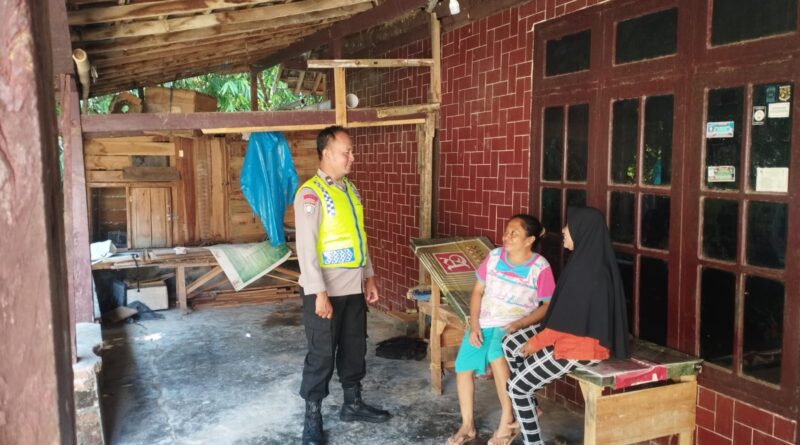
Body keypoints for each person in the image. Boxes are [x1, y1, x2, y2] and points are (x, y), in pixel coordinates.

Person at [294, 126, 390, 445]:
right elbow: (306, 248)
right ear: (326, 153)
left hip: (353, 287)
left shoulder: (350, 190)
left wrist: (369, 275)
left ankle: (353, 404)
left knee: (354, 348)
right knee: (321, 354)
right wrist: (318, 292)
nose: (352, 157)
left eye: (351, 151)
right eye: (346, 151)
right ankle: (312, 419)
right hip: (325, 291)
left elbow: (359, 237)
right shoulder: (310, 193)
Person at [502, 206, 630, 445]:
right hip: (570, 333)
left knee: (516, 387)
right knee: (510, 343)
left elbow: (568, 323)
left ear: (582, 230)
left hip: (580, 345)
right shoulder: (585, 260)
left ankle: (532, 438)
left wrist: (535, 343)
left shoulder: (587, 271)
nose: (563, 230)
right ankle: (530, 402)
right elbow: (566, 315)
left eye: (568, 226)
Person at [446, 215, 555, 445]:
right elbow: (477, 291)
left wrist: (521, 324)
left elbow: (547, 305)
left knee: (497, 353)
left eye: (514, 233)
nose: (507, 237)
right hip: (485, 321)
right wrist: (474, 324)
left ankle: (508, 420)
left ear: (529, 240)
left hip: (515, 324)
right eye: (506, 231)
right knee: (463, 366)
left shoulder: (540, 266)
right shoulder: (494, 257)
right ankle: (467, 425)